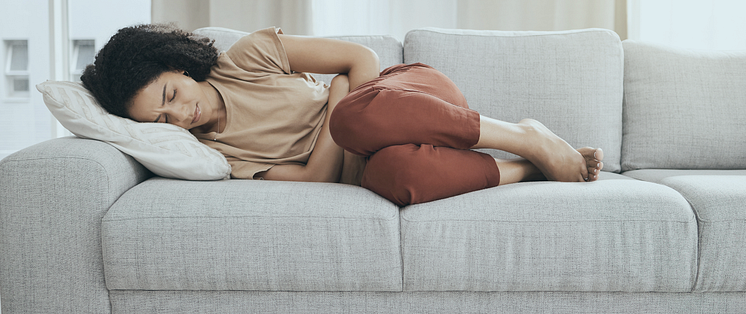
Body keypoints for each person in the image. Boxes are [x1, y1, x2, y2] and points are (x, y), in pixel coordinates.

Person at [82, 23, 603, 206]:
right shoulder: (218, 156)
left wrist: (342, 106)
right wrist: (334, 98)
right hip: (377, 155)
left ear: (178, 65)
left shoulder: (244, 58)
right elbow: (319, 178)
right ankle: (531, 165)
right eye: (162, 121)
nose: (180, 116)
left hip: (406, 96)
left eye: (171, 94)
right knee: (397, 179)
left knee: (355, 119)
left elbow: (361, 61)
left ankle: (523, 138)